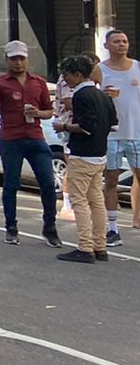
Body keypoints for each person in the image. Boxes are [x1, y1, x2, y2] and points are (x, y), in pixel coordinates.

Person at [0, 40, 62, 247]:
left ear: (27, 59)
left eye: (21, 58)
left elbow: (49, 111)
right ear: (7, 59)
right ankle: (11, 227)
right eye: (14, 59)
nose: (18, 63)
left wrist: (38, 113)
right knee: (11, 184)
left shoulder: (38, 82)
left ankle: (49, 228)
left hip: (35, 138)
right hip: (11, 139)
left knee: (48, 184)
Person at [57, 53, 116, 263]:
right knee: (97, 201)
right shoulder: (103, 95)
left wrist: (63, 126)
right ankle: (100, 246)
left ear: (78, 74)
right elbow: (113, 123)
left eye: (67, 75)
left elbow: (85, 127)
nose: (65, 80)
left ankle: (85, 246)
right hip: (100, 153)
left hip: (82, 154)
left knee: (79, 201)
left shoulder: (81, 96)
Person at [99, 29, 139, 246]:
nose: (122, 44)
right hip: (112, 135)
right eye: (116, 41)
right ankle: (113, 228)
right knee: (111, 180)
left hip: (137, 134)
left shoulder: (138, 67)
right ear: (107, 46)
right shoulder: (99, 70)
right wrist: (102, 95)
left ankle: (136, 219)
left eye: (124, 41)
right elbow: (87, 96)